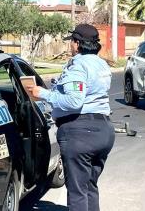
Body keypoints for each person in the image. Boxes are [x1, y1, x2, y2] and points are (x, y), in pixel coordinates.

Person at [27, 24, 115, 211]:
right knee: (90, 186)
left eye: (72, 42)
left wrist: (42, 93)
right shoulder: (101, 64)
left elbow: (74, 101)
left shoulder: (78, 65)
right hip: (103, 130)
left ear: (77, 43)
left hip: (80, 133)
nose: (70, 46)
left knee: (77, 192)